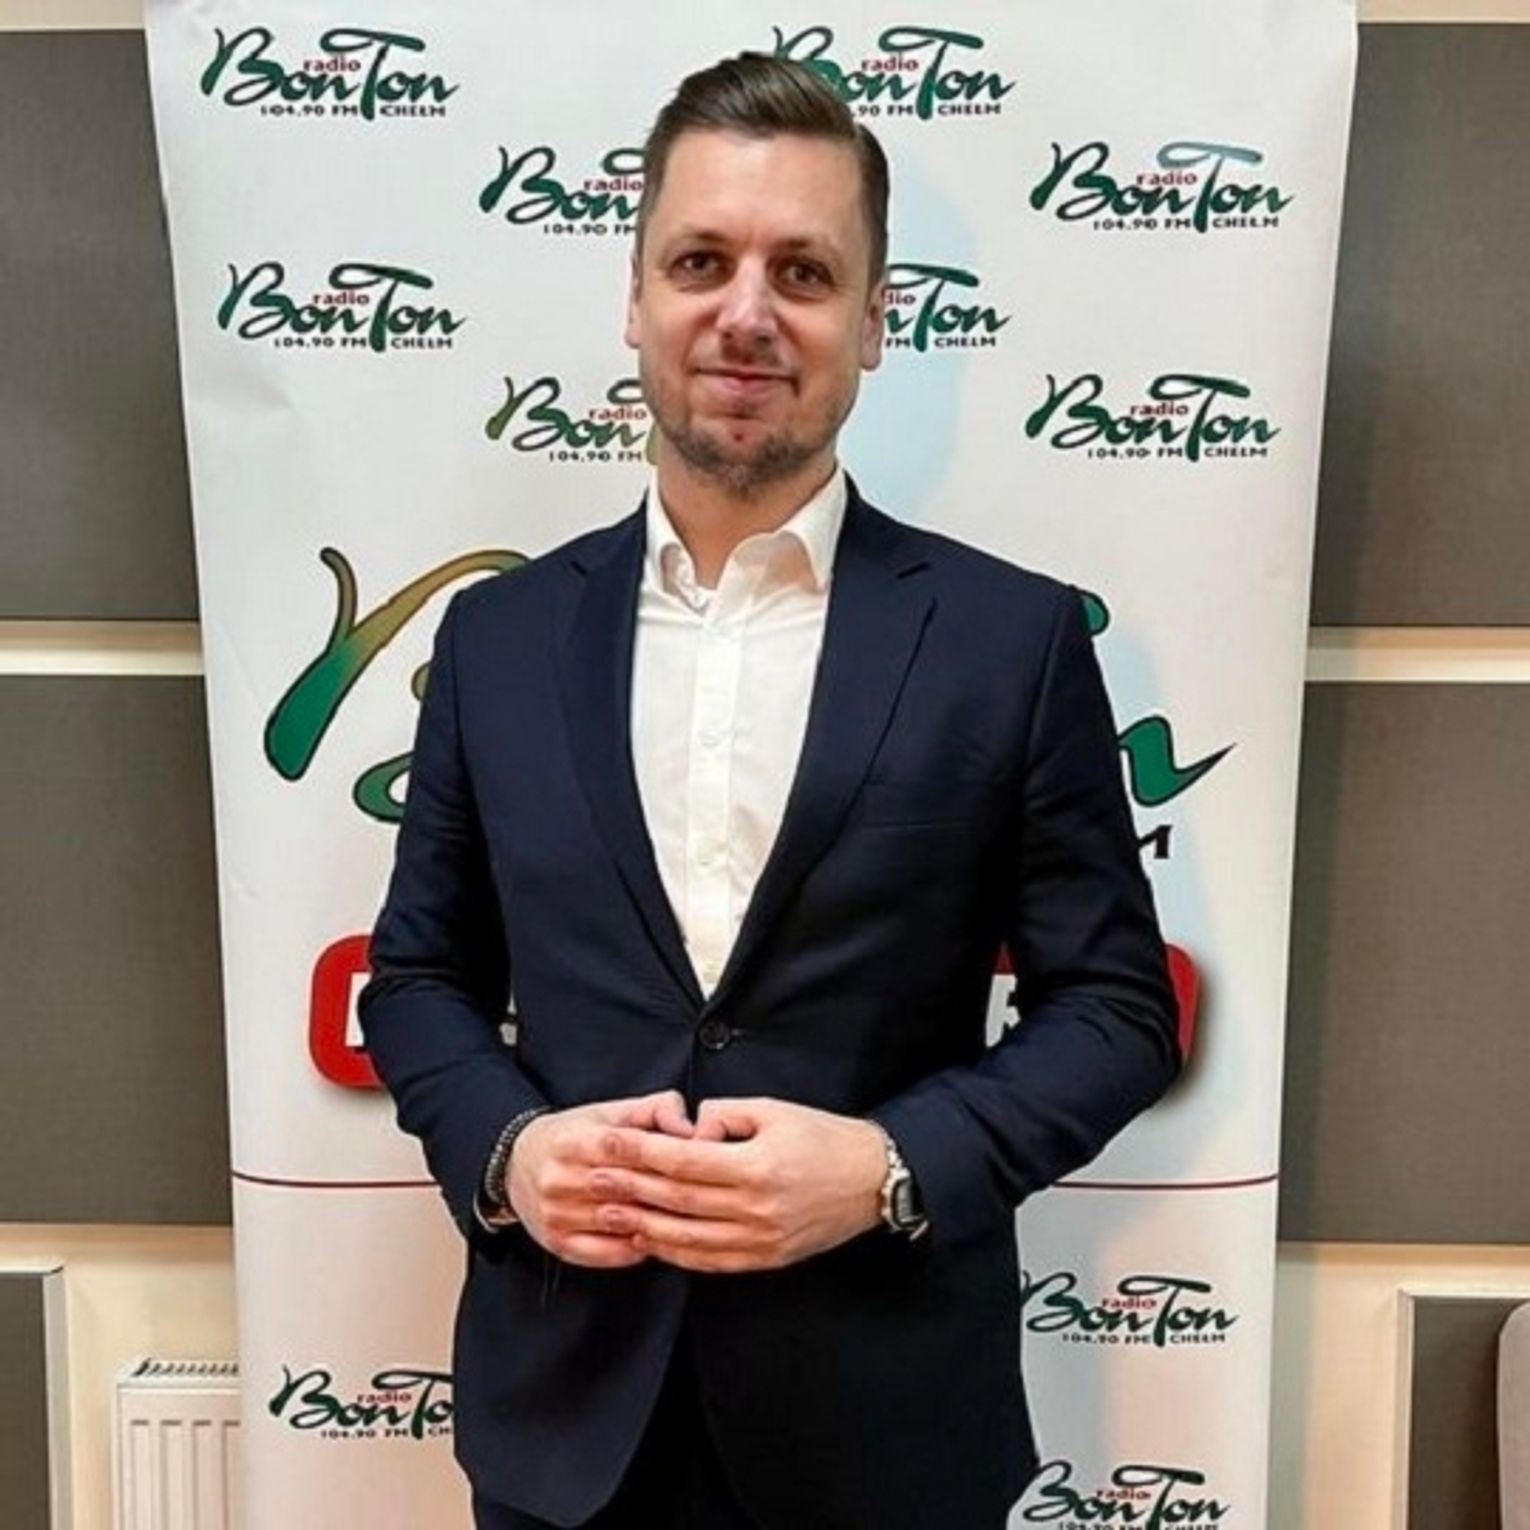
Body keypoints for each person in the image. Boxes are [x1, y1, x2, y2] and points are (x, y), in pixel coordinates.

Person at [359, 51, 1179, 1530]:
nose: (747, 312)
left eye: (803, 271)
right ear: (634, 299)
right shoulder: (498, 639)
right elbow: (418, 978)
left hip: (887, 1435)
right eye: (700, 262)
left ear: (874, 321)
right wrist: (510, 1152)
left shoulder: (1011, 641)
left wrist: (886, 1166)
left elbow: (1115, 1012)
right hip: (565, 1433)